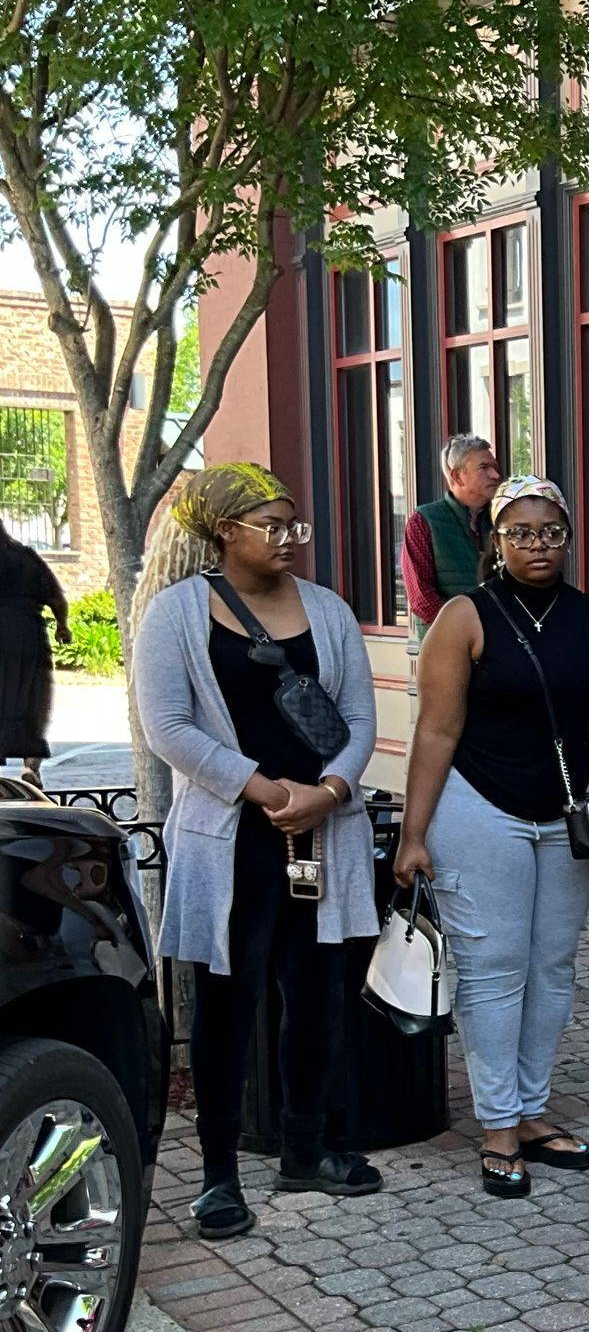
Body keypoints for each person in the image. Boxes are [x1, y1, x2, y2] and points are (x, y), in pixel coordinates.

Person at [132, 465, 382, 1241]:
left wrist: (329, 792)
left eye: (292, 525)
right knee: (227, 1003)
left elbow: (360, 719)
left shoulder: (329, 611)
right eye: (269, 526)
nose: (287, 539)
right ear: (222, 533)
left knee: (317, 993)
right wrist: (261, 789)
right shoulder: (175, 616)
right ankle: (217, 1176)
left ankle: (306, 1149)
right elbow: (167, 726)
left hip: (319, 833)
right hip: (230, 839)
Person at [395, 477, 589, 1194]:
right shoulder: (464, 617)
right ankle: (498, 1122)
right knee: (495, 964)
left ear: (571, 537)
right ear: (494, 540)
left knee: (553, 966)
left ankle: (533, 1111)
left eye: (552, 532)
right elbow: (436, 731)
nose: (538, 545)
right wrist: (414, 835)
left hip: (563, 815)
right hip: (479, 808)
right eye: (521, 532)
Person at [401, 433, 501, 633]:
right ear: (457, 476)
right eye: (484, 468)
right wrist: (469, 630)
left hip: (497, 648)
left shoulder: (501, 521)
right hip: (445, 648)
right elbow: (421, 599)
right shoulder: (424, 521)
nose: (496, 475)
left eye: (495, 468)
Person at [0, 521, 70, 788]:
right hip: (29, 635)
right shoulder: (27, 557)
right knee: (32, 698)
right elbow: (57, 598)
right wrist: (62, 626)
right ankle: (30, 768)